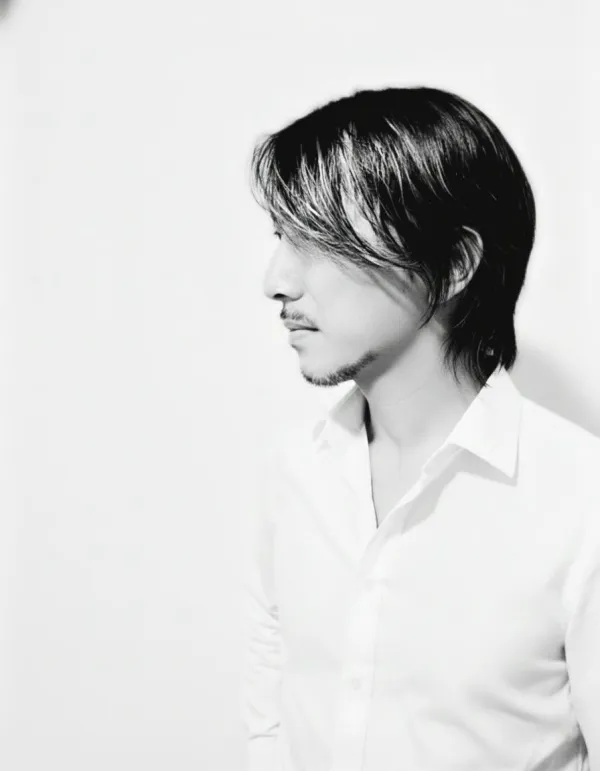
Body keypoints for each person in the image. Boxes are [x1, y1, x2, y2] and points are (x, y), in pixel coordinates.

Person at [241, 86, 600, 771]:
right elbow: (271, 720)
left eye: (317, 237)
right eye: (282, 237)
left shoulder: (583, 501)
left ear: (455, 264)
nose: (276, 281)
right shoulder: (296, 472)